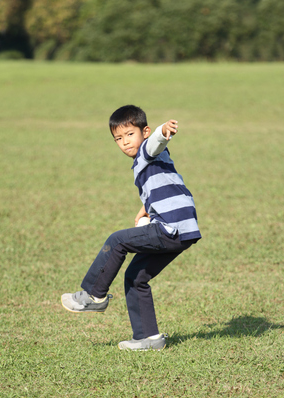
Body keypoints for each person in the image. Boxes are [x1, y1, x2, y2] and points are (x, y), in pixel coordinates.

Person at [61, 105, 201, 350]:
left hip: (172, 227)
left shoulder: (147, 151)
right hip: (182, 229)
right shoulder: (143, 163)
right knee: (136, 277)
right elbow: (158, 189)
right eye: (118, 138)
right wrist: (145, 209)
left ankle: (94, 295)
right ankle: (149, 338)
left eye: (130, 134)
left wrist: (162, 131)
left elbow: (154, 143)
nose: (125, 142)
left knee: (117, 241)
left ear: (144, 131)